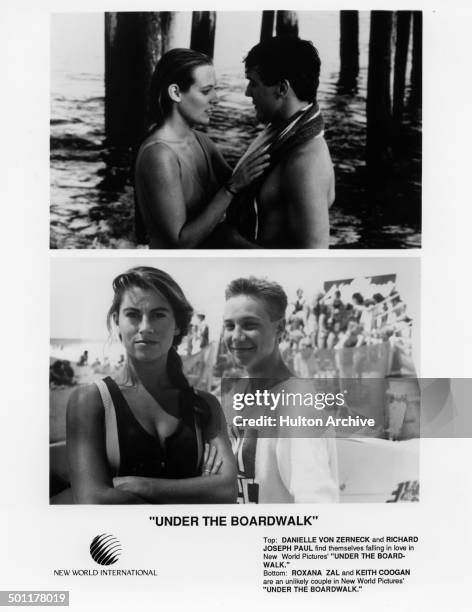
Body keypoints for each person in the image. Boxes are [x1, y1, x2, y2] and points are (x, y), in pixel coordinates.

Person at [64, 266, 237, 504]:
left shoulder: (204, 405)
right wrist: (198, 490)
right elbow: (93, 501)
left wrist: (138, 484)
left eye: (158, 314)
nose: (145, 327)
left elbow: (226, 490)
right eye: (133, 315)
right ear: (117, 322)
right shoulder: (91, 401)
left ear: (177, 324)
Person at [134, 48, 270, 248]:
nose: (216, 98)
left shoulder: (202, 141)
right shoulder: (159, 154)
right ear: (176, 93)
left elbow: (246, 190)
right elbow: (180, 243)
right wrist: (230, 189)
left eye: (215, 89)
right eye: (206, 91)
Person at [222, 277, 339, 503]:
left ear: (280, 329)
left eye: (249, 325)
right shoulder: (237, 392)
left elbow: (317, 502)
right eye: (229, 325)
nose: (236, 336)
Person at [227, 37, 335, 248]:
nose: (247, 92)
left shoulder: (305, 162)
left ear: (282, 89)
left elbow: (313, 260)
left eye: (253, 83)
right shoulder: (281, 132)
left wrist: (231, 240)